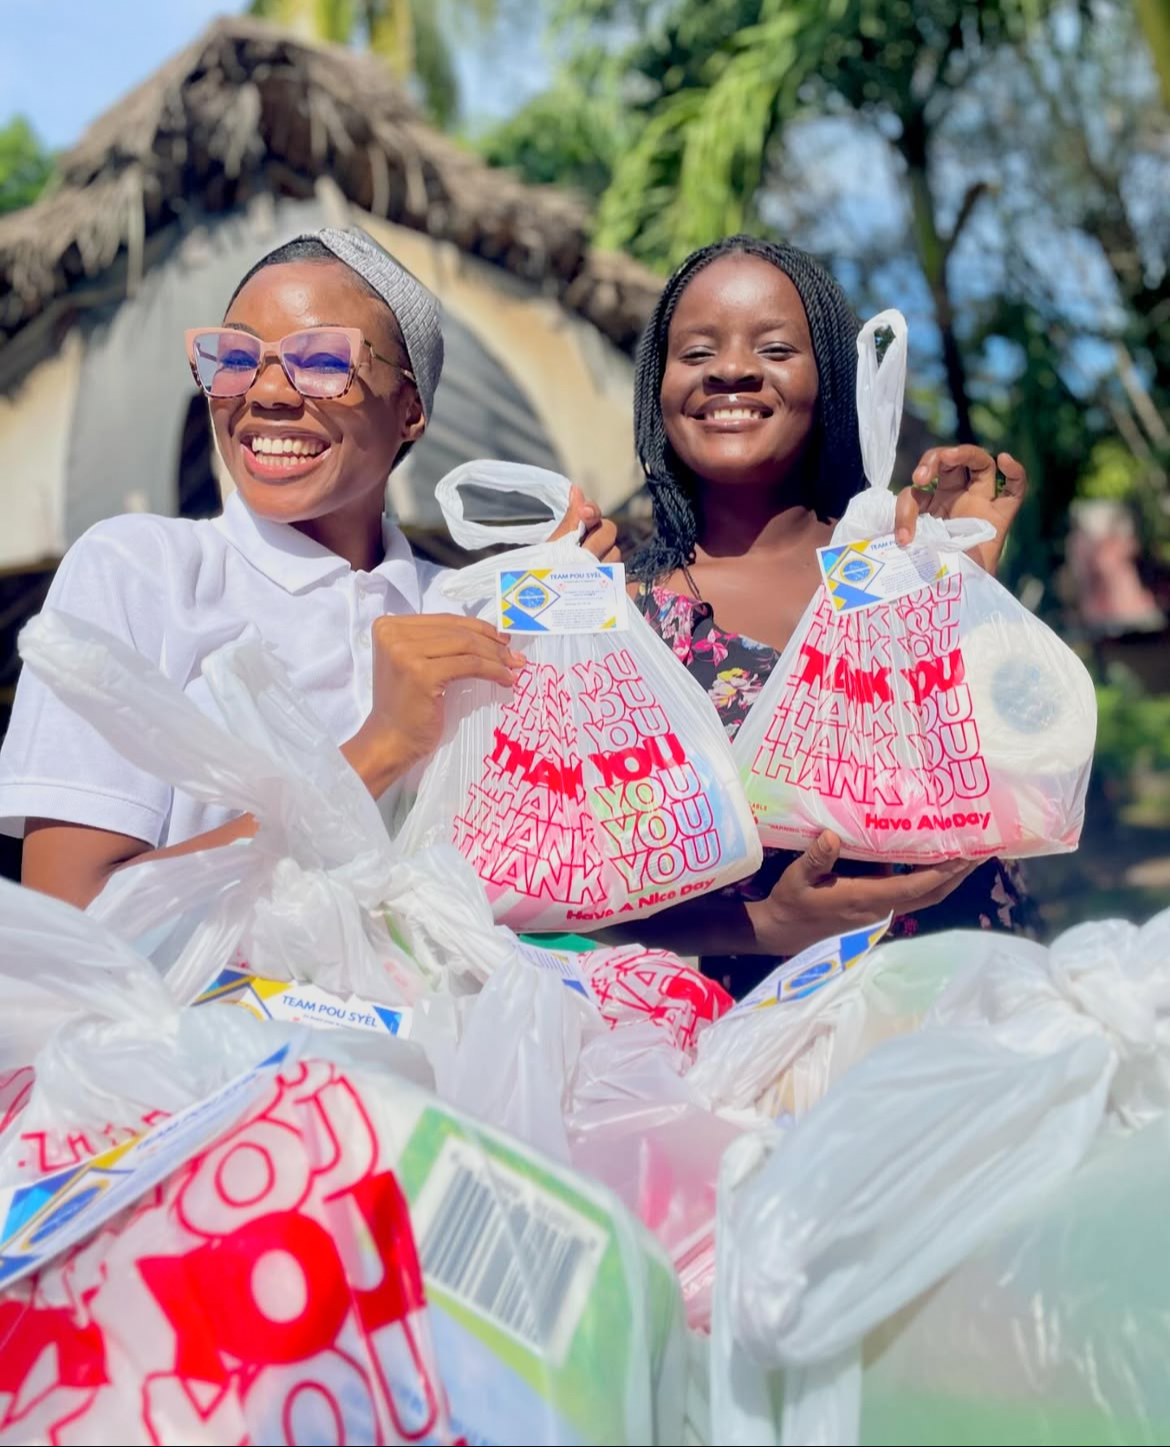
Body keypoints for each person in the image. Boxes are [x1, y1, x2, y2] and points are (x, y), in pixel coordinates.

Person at [0, 225, 616, 910]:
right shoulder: (140, 574)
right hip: (204, 1018)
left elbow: (569, 873)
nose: (264, 393)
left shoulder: (468, 613)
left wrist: (573, 617)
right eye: (232, 357)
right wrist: (378, 748)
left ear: (409, 408)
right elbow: (72, 910)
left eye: (321, 360)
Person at [615, 235, 1041, 994]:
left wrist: (969, 589)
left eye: (775, 346)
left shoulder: (903, 567)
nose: (732, 368)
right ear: (657, 387)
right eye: (696, 351)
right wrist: (766, 925)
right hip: (756, 1055)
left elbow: (1024, 770)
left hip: (971, 1006)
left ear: (835, 381)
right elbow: (572, 895)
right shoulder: (617, 622)